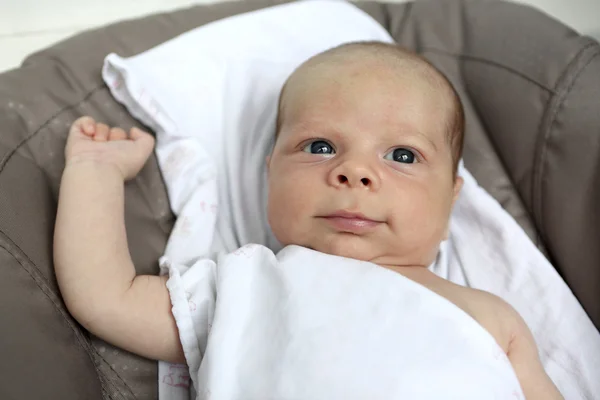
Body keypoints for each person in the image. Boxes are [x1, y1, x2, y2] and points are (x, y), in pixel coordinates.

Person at [54, 42, 562, 399]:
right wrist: (95, 173)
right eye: (320, 147)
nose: (355, 171)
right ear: (270, 173)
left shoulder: (490, 317)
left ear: (452, 203)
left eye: (402, 155)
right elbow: (105, 297)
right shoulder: (241, 286)